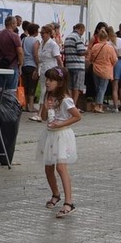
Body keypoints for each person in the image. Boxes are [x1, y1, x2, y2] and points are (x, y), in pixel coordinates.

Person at [39, 67, 80, 218]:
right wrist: (45, 107)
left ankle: (69, 202)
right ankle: (55, 194)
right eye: (47, 79)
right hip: (49, 135)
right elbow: (44, 117)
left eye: (51, 80)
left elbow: (77, 116)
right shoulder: (48, 96)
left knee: (61, 168)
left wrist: (61, 124)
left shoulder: (65, 99)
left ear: (60, 82)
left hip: (61, 135)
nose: (47, 82)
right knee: (48, 167)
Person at [87, 26, 117, 114]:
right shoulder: (110, 48)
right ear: (107, 37)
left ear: (98, 37)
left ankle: (99, 105)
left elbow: (91, 58)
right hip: (106, 70)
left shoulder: (95, 46)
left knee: (98, 88)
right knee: (102, 88)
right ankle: (98, 105)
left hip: (95, 69)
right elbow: (114, 60)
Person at [32, 23, 61, 116]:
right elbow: (39, 59)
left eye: (43, 33)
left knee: (46, 91)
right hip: (43, 69)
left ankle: (40, 113)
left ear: (49, 33)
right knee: (45, 90)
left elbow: (58, 59)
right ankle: (45, 112)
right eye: (41, 33)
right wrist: (36, 70)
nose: (42, 35)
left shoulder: (53, 44)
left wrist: (62, 70)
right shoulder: (41, 44)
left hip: (51, 69)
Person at [62, 23, 88, 109]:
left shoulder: (67, 37)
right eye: (83, 31)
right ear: (81, 29)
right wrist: (88, 51)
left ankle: (68, 104)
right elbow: (81, 51)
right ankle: (73, 106)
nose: (83, 33)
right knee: (77, 87)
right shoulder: (78, 37)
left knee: (69, 86)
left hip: (69, 65)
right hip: (78, 66)